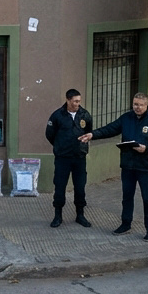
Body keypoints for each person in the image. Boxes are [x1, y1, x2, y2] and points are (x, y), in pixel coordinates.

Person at [80, 93, 148, 240]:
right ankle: (125, 223)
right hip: (128, 165)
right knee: (127, 197)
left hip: (145, 166)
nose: (137, 107)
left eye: (140, 105)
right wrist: (92, 135)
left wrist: (146, 148)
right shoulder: (126, 118)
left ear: (147, 105)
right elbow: (110, 129)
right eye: (135, 104)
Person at [44, 88, 93, 228]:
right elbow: (49, 134)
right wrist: (60, 146)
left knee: (80, 187)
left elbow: (89, 131)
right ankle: (58, 216)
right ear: (68, 100)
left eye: (79, 101)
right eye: (75, 101)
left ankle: (80, 215)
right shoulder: (57, 115)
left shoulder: (84, 114)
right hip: (63, 158)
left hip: (79, 157)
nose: (78, 103)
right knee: (60, 186)